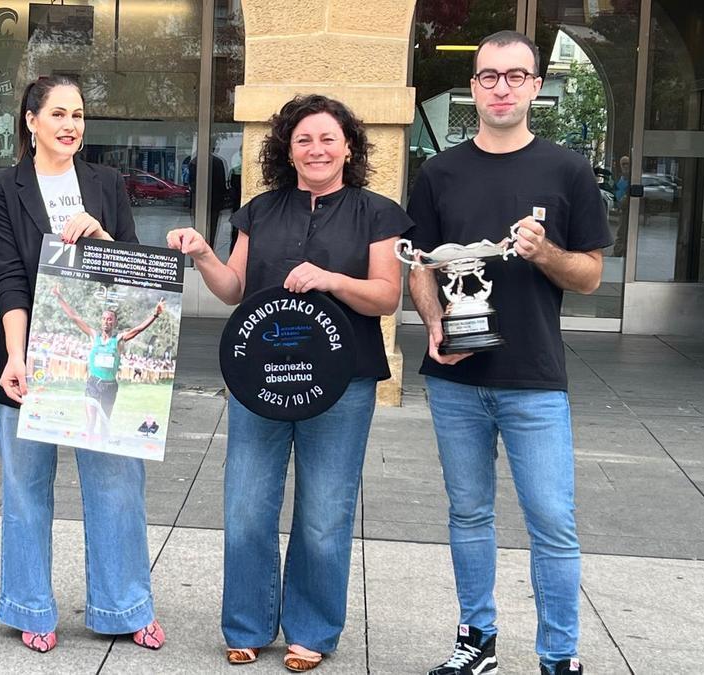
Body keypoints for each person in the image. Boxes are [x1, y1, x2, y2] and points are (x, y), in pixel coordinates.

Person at [168, 94, 409, 671]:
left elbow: (386, 295)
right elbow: (234, 290)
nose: (316, 149)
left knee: (325, 513)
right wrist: (203, 254)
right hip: (260, 378)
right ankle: (247, 622)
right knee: (248, 506)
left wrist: (330, 279)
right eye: (304, 139)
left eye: (328, 138)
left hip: (343, 383)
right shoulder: (259, 210)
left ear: (349, 146)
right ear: (288, 150)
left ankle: (312, 631)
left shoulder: (378, 212)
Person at [405, 31, 611, 675]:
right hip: (456, 376)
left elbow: (590, 277)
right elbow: (416, 265)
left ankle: (559, 656)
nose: (501, 87)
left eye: (515, 76)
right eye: (489, 76)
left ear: (534, 86)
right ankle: (477, 644)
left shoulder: (568, 170)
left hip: (535, 377)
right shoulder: (439, 172)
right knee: (468, 514)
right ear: (474, 87)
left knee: (552, 521)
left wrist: (544, 252)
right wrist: (435, 324)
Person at [0, 75, 165, 654]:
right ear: (30, 120)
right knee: (26, 487)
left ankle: (124, 604)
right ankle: (30, 604)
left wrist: (103, 236)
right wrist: (16, 358)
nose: (70, 125)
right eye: (57, 113)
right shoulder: (4, 189)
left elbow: (132, 270)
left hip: (101, 360)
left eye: (78, 114)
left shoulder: (106, 183)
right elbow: (9, 280)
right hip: (25, 354)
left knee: (116, 486)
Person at [50, 286, 164, 440]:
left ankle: (103, 448)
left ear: (114, 322)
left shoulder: (118, 339)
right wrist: (59, 297)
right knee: (91, 422)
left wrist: (155, 315)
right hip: (93, 384)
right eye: (104, 318)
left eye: (110, 319)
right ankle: (89, 448)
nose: (106, 321)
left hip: (110, 386)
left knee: (105, 422)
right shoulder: (93, 335)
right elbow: (74, 317)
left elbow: (138, 329)